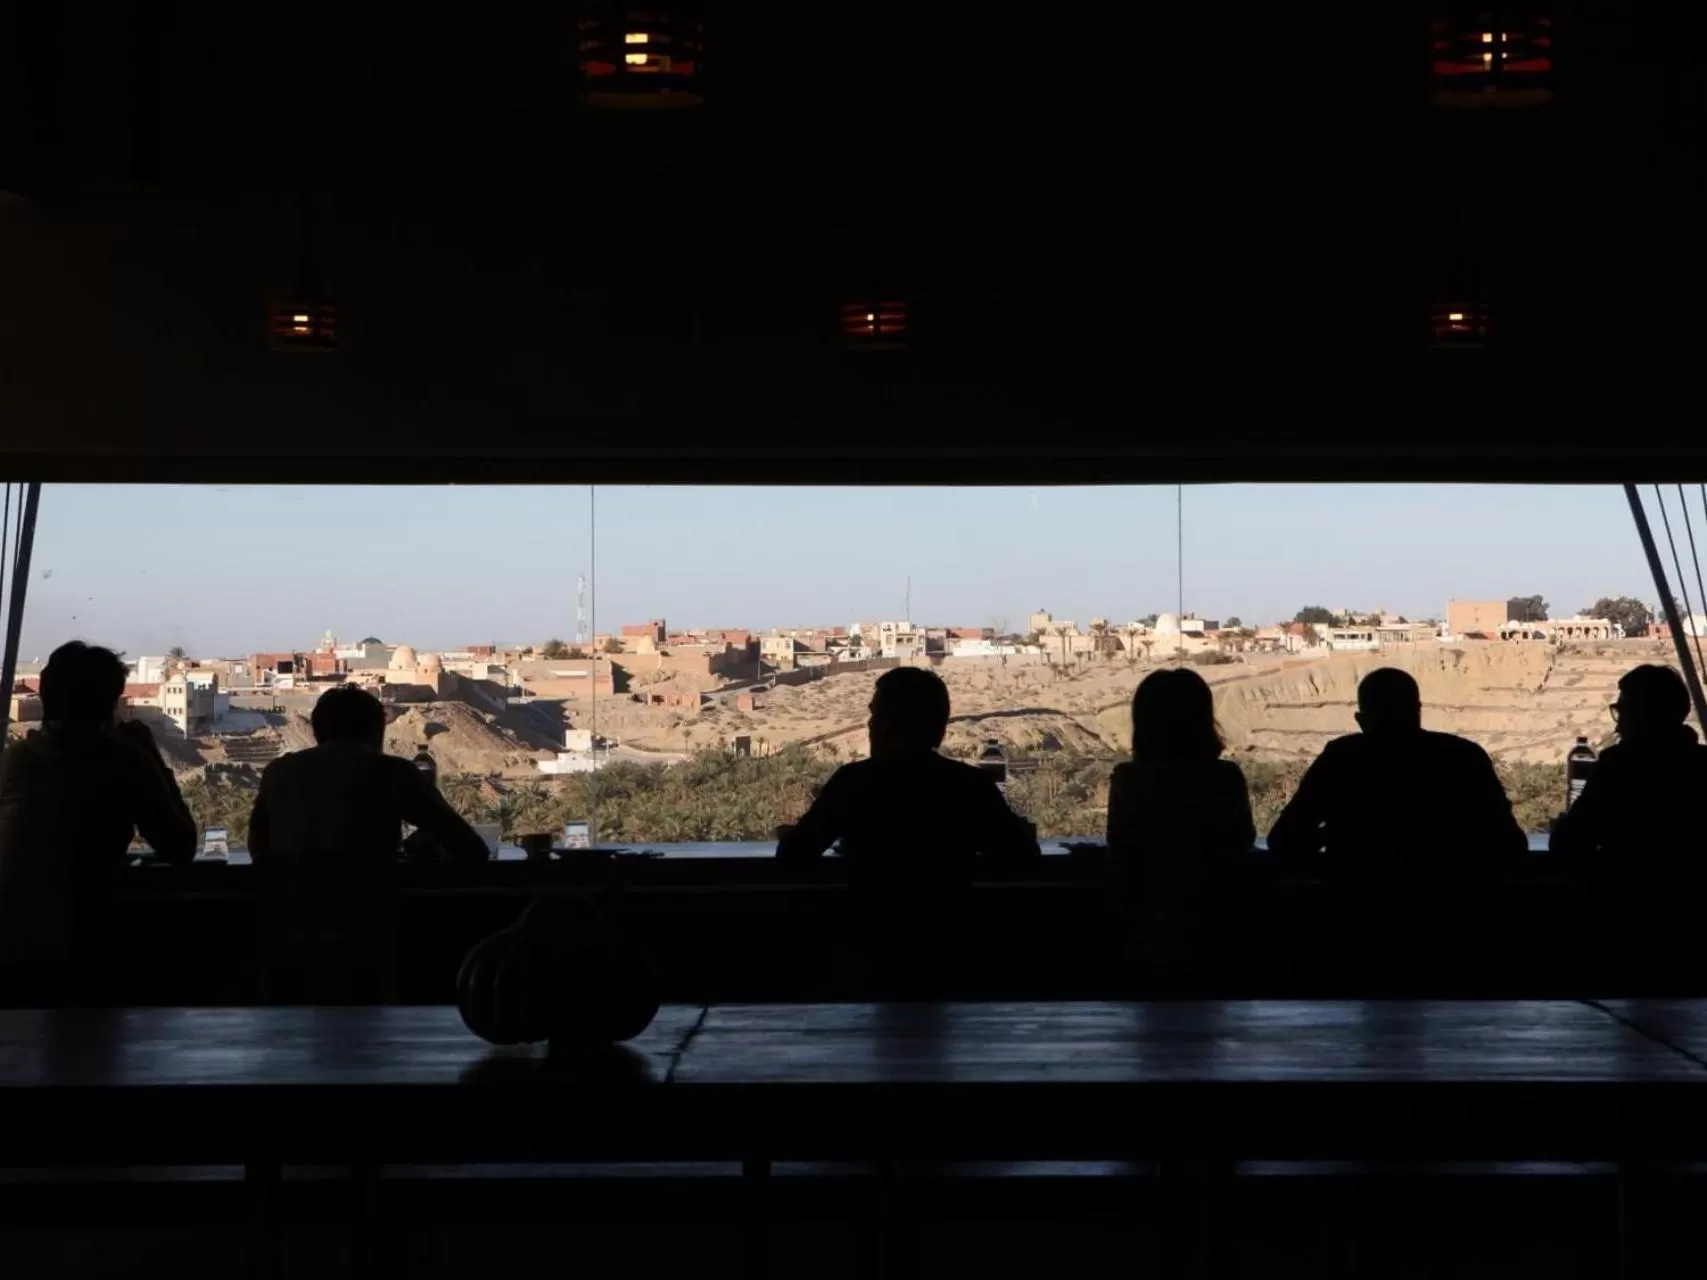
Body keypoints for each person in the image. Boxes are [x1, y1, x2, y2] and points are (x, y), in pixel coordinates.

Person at [776, 667, 1039, 994]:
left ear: (886, 724)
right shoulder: (968, 785)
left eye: (874, 715)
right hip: (952, 954)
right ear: (939, 727)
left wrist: (790, 836)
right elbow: (1022, 856)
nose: (869, 725)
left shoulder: (854, 781)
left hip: (867, 952)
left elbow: (794, 856)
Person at [247, 684, 489, 1002]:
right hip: (366, 937)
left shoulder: (279, 772)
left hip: (286, 939)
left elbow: (258, 849)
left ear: (317, 731)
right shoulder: (390, 771)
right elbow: (470, 848)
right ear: (377, 731)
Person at [0, 641, 197, 1005]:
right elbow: (180, 845)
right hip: (81, 941)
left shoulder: (16, 760)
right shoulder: (119, 761)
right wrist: (150, 755)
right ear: (111, 702)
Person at [1267, 667, 1527, 870]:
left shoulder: (1342, 758)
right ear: (1417, 712)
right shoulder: (1463, 756)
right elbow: (1511, 846)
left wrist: (1342, 834)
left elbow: (1283, 840)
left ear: (1361, 720)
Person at [1105, 669, 1256, 987]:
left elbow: (1122, 847)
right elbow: (1241, 839)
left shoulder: (1129, 779)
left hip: (1149, 923)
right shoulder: (1224, 777)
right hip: (1218, 919)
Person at [1549, 664, 1707, 877]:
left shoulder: (1617, 765)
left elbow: (1568, 842)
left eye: (1623, 713)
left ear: (1643, 716)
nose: (1617, 727)